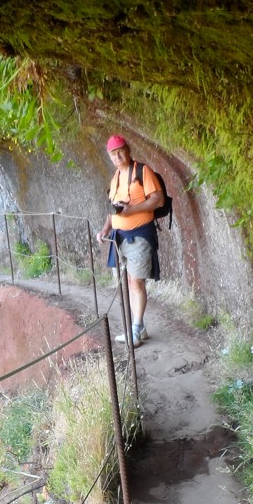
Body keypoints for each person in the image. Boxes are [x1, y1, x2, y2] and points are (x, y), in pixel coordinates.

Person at [96, 134, 164, 347]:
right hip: (119, 238)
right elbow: (113, 210)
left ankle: (135, 329)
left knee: (136, 282)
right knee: (126, 283)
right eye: (113, 154)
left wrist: (132, 209)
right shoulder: (115, 178)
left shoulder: (143, 172)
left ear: (128, 149)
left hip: (139, 235)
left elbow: (158, 199)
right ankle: (139, 327)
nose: (117, 157)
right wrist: (105, 229)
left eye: (120, 152)